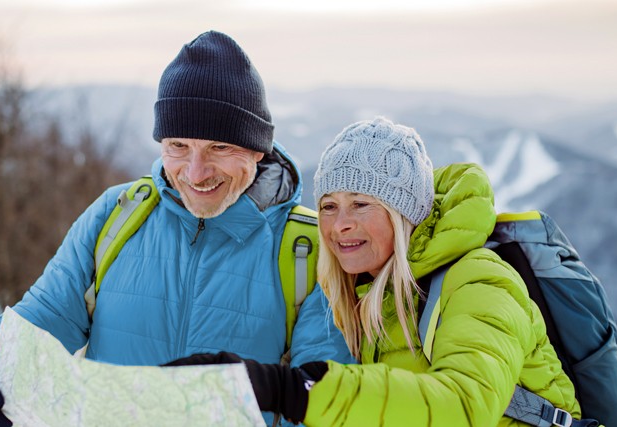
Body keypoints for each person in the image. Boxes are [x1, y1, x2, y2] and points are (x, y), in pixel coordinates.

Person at [0, 30, 352, 427]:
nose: (195, 172)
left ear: (258, 149)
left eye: (219, 148)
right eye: (178, 146)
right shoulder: (117, 214)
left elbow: (323, 396)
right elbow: (46, 314)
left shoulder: (308, 247)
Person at [167, 117, 579, 426]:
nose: (340, 224)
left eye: (361, 204)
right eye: (329, 206)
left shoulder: (480, 281)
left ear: (404, 215)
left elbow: (463, 406)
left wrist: (292, 389)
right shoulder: (365, 292)